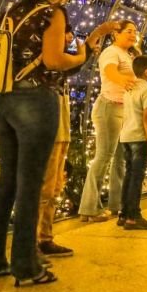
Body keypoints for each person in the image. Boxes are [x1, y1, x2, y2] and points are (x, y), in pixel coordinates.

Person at [0, 0, 115, 286]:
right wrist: (80, 56)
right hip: (35, 100)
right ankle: (26, 265)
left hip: (1, 98)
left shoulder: (13, 12)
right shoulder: (53, 12)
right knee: (31, 184)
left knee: (7, 180)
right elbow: (54, 60)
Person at [38, 20, 110, 258]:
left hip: (60, 128)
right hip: (49, 128)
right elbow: (71, 63)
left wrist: (91, 42)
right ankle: (38, 241)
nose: (69, 37)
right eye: (65, 32)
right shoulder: (46, 61)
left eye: (69, 33)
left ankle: (43, 237)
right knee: (46, 186)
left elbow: (73, 63)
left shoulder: (56, 64)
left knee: (54, 185)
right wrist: (91, 41)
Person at [78, 20, 139, 222]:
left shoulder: (128, 55)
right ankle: (89, 208)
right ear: (116, 34)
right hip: (109, 108)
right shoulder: (111, 52)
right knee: (104, 156)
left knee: (120, 158)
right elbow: (110, 71)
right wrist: (123, 80)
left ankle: (117, 204)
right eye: (129, 31)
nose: (133, 34)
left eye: (135, 31)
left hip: (124, 109)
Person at [119, 55, 147, 231]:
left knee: (129, 176)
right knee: (136, 177)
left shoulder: (129, 88)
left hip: (126, 136)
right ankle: (133, 217)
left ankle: (124, 214)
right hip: (139, 137)